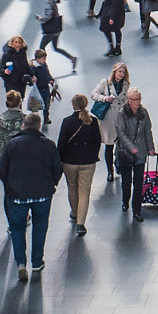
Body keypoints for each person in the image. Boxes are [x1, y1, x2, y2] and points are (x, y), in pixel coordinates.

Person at [0, 111, 62, 281]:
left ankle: (20, 263)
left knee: (17, 228)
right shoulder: (48, 144)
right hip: (42, 194)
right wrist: (52, 184)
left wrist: (9, 185)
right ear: (39, 126)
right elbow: (58, 168)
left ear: (23, 125)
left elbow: (2, 168)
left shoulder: (12, 144)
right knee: (40, 226)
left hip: (17, 195)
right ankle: (37, 260)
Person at [56, 94, 102, 235]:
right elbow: (97, 141)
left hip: (70, 162)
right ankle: (81, 224)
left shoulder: (67, 122)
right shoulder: (92, 121)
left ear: (73, 105)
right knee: (84, 192)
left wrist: (60, 159)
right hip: (88, 162)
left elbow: (61, 144)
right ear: (86, 104)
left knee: (72, 188)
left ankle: (75, 213)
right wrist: (93, 155)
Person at [112, 88, 154, 221]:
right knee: (126, 181)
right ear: (129, 100)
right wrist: (131, 147)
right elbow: (121, 133)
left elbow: (148, 131)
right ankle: (125, 200)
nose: (138, 102)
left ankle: (137, 210)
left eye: (139, 99)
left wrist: (150, 148)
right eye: (135, 99)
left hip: (141, 153)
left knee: (138, 182)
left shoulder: (144, 113)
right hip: (126, 153)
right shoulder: (122, 114)